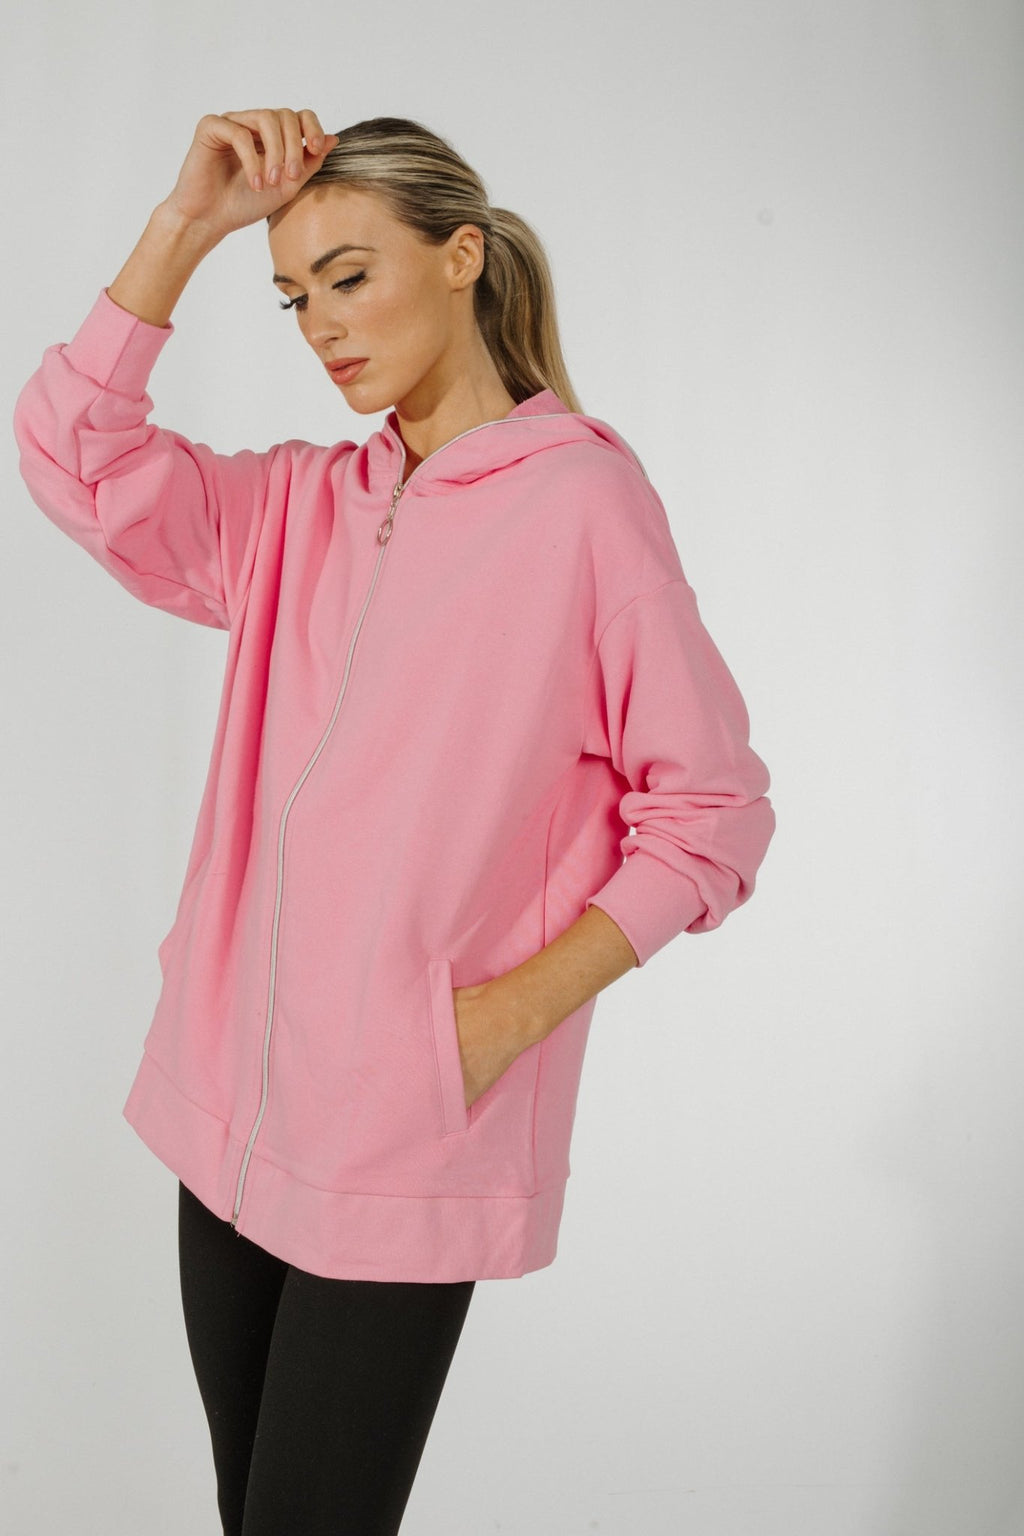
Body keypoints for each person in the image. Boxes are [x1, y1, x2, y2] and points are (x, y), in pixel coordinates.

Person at [13, 107, 776, 1536]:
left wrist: (492, 1023)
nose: (319, 324)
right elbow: (71, 453)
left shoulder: (583, 508)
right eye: (292, 295)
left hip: (405, 1130)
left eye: (350, 276)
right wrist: (185, 227)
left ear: (460, 257)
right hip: (232, 1112)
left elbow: (713, 811)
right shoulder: (299, 505)